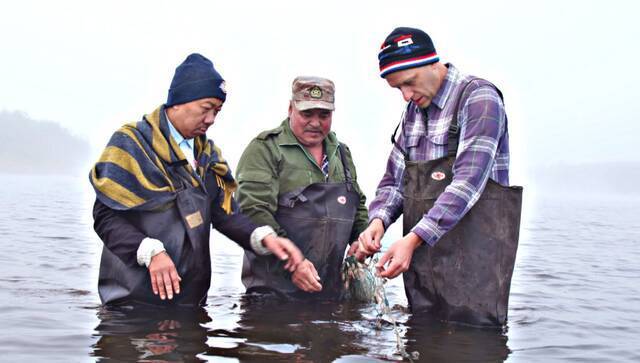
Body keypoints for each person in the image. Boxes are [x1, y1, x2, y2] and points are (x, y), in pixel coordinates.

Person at [89, 53, 303, 307]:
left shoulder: (207, 157)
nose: (212, 119)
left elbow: (225, 215)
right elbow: (105, 218)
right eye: (206, 109)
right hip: (132, 303)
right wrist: (150, 251)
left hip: (190, 303)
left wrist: (263, 237)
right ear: (178, 102)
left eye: (217, 111)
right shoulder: (132, 145)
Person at [358, 27, 523, 326]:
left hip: (475, 275)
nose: (406, 95)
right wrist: (377, 222)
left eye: (409, 83)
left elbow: (468, 183)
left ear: (433, 63)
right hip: (425, 278)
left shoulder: (479, 99)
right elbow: (395, 181)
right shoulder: (412, 111)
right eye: (398, 89)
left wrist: (412, 239)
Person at [235, 76, 369, 299]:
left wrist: (361, 239)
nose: (315, 123)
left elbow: (358, 207)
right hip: (274, 296)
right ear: (290, 108)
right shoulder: (266, 149)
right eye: (307, 114)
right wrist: (292, 264)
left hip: (330, 295)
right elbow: (251, 211)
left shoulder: (342, 154)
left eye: (324, 115)